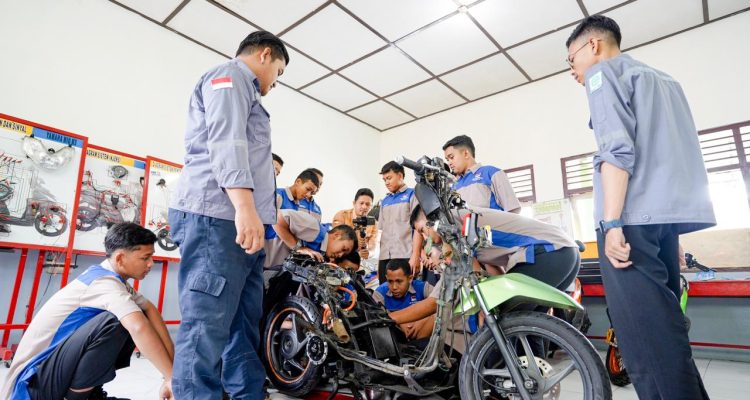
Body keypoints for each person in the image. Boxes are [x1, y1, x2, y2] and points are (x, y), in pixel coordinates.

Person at [566, 15, 715, 399]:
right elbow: (669, 157)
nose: (573, 71)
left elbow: (616, 151)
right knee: (667, 333)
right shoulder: (664, 81)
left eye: (571, 59)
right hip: (663, 223)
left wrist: (612, 222)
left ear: (593, 45)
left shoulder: (601, 76)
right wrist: (672, 235)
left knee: (646, 345)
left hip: (629, 224)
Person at [168, 30, 289, 400]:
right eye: (279, 71)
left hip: (239, 224)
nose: (276, 82)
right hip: (217, 217)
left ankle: (246, 394)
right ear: (265, 54)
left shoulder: (248, 91)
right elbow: (227, 142)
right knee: (207, 324)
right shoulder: (230, 77)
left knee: (242, 322)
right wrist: (244, 207)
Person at [0, 223, 174, 400]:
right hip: (31, 385)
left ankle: (88, 394)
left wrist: (171, 374)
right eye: (145, 258)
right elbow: (138, 327)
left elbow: (150, 309)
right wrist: (172, 380)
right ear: (120, 258)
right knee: (117, 321)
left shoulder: (112, 280)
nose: (151, 263)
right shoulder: (103, 283)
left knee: (136, 313)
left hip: (49, 375)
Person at [442, 135, 521, 213]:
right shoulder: (453, 186)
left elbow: (513, 210)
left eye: (451, 157)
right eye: (447, 160)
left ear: (466, 153)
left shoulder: (491, 173)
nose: (449, 163)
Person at [378, 161, 423, 283]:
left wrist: (415, 256)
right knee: (384, 291)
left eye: (389, 178)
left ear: (400, 176)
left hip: (405, 256)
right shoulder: (384, 201)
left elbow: (418, 229)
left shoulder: (412, 195)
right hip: (385, 257)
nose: (386, 182)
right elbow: (381, 232)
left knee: (406, 292)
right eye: (384, 180)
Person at [332, 188, 378, 260]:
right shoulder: (341, 215)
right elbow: (337, 243)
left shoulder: (373, 223)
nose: (364, 207)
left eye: (368, 204)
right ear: (354, 203)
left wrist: (368, 253)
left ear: (371, 207)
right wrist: (356, 254)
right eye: (361, 203)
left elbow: (372, 247)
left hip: (361, 260)